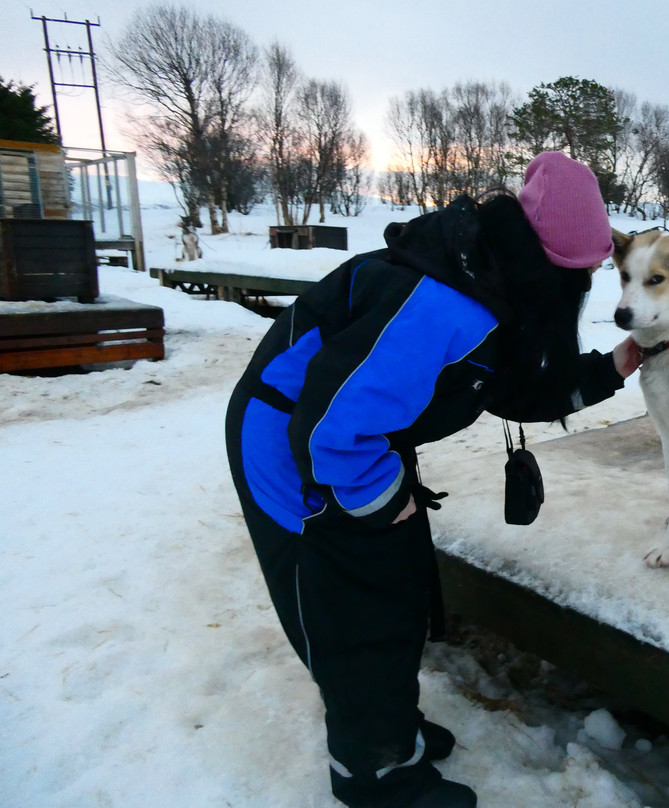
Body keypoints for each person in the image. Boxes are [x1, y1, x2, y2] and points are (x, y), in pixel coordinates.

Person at [224, 151, 642, 808]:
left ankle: (393, 731)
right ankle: (376, 774)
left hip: (355, 443)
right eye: (582, 270)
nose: (587, 283)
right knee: (356, 612)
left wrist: (613, 369)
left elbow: (511, 385)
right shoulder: (444, 304)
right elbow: (331, 429)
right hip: (300, 452)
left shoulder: (488, 282)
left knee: (396, 590)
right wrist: (380, 497)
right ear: (546, 265)